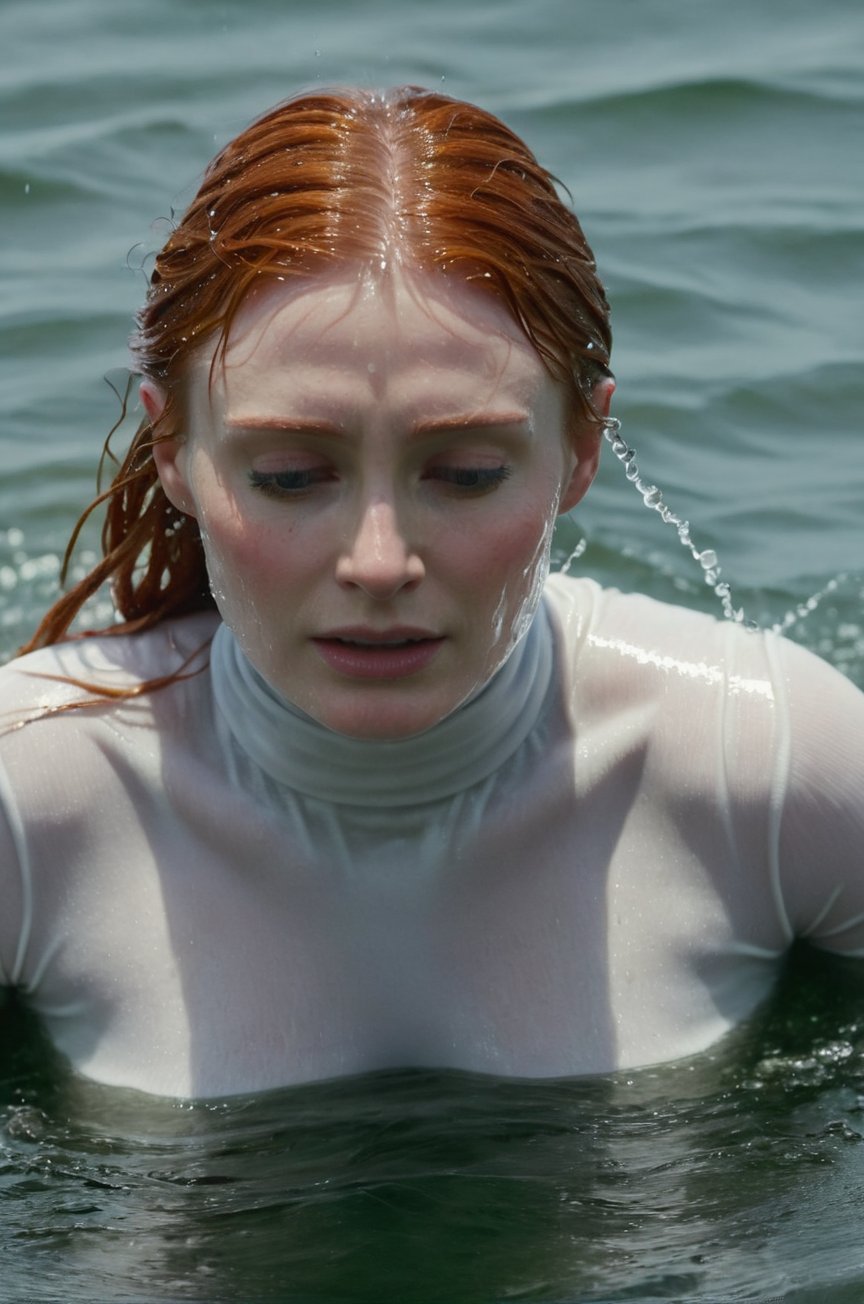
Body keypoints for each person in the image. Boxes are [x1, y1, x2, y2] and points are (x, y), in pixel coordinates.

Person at [1, 87, 862, 1100]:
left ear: (582, 448)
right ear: (173, 451)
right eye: (287, 476)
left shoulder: (770, 776)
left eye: (464, 473)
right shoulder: (31, 803)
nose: (378, 560)